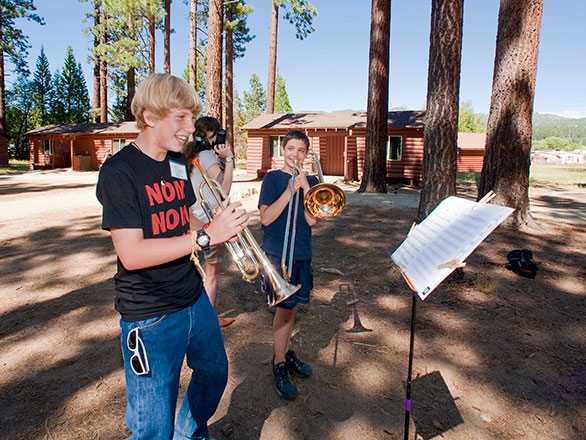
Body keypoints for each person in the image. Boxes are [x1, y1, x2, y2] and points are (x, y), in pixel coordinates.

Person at [96, 73, 249, 440]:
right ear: (150, 117)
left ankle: (191, 434)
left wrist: (218, 224)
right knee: (152, 427)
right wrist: (204, 237)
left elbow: (184, 218)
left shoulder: (178, 162)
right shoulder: (119, 171)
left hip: (193, 297)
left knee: (214, 372)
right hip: (149, 314)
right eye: (180, 118)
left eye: (192, 119)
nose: (190, 128)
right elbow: (131, 254)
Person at [257, 130, 319, 399]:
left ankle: (283, 352)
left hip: (301, 253)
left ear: (307, 154)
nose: (295, 154)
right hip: (276, 255)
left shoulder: (312, 180)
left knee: (291, 311)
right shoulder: (272, 178)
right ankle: (278, 362)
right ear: (282, 150)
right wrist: (289, 189)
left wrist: (306, 187)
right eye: (291, 148)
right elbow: (267, 218)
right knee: (284, 311)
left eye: (301, 150)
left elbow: (312, 220)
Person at [183, 117, 235, 327]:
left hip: (191, 222)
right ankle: (207, 319)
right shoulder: (205, 155)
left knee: (194, 273)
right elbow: (224, 189)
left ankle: (193, 316)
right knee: (211, 274)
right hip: (209, 223)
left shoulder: (186, 155)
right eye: (215, 136)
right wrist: (229, 159)